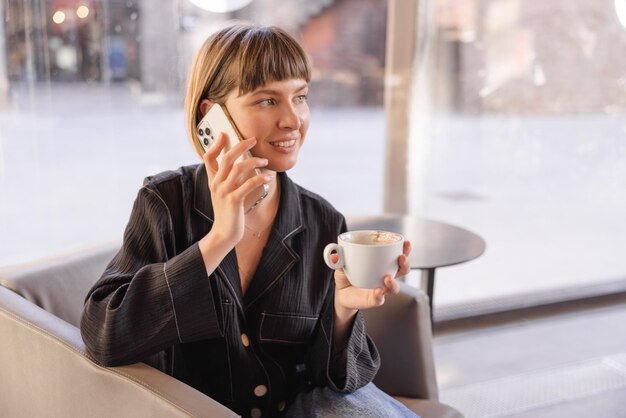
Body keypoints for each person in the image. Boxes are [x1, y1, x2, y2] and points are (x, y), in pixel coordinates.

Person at [80, 23, 417, 418]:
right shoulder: (166, 204)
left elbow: (331, 381)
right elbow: (104, 334)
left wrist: (342, 312)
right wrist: (219, 239)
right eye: (267, 101)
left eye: (301, 97)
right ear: (213, 115)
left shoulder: (323, 222)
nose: (293, 120)